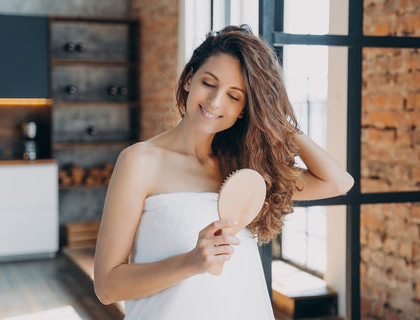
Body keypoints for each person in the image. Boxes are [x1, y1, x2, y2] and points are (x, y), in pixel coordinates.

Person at [94, 25, 354, 320]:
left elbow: (338, 182)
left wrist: (276, 124)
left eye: (234, 96)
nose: (216, 102)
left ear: (245, 109)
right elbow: (106, 286)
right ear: (190, 79)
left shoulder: (246, 167)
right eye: (209, 82)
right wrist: (192, 262)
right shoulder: (139, 162)